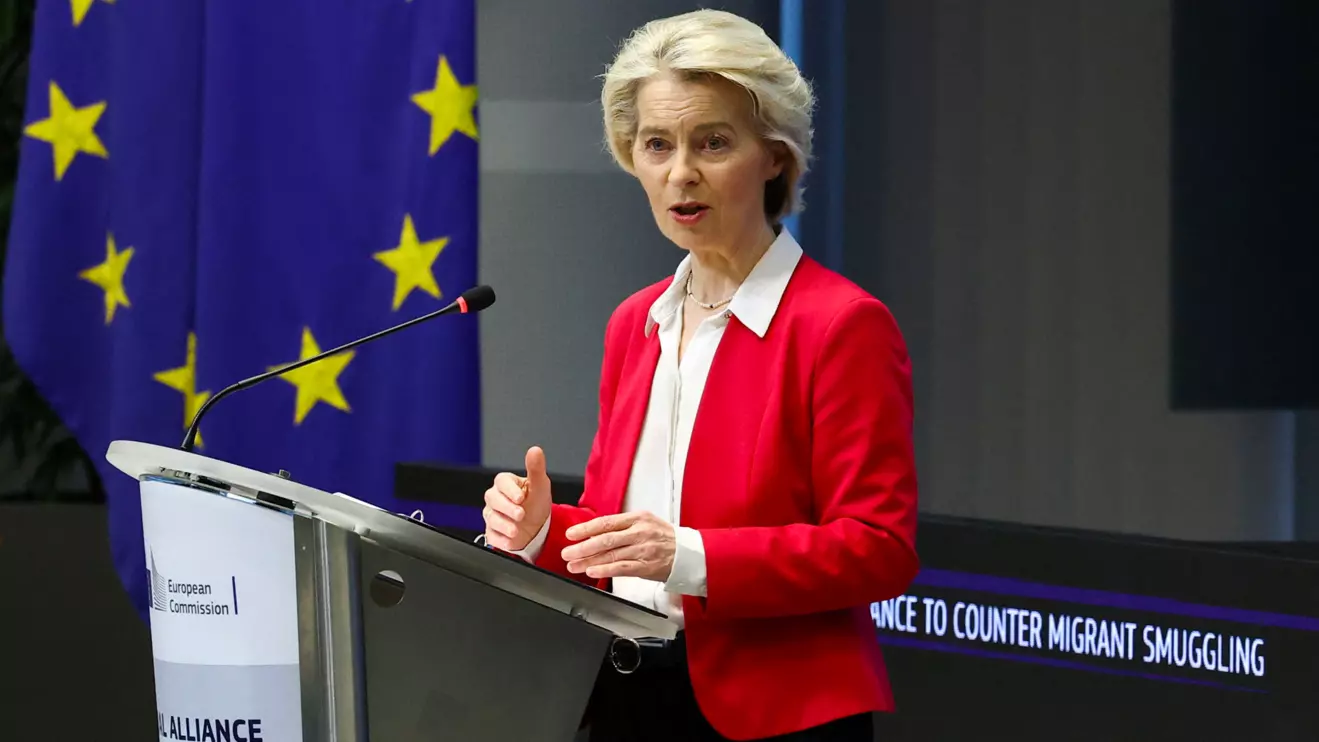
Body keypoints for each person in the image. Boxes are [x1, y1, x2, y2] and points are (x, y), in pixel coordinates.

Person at [481, 9, 919, 742]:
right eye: (657, 144)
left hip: (776, 713)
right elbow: (621, 539)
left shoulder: (839, 324)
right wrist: (541, 534)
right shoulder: (635, 322)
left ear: (773, 155)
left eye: (712, 143)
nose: (680, 172)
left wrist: (688, 555)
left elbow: (877, 548)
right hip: (623, 693)